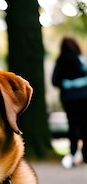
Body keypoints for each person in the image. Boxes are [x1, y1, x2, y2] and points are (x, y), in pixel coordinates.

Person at [52, 36, 87, 168]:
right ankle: (85, 155)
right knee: (84, 125)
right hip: (84, 98)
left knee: (72, 125)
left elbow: (54, 81)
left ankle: (72, 153)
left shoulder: (60, 61)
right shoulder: (80, 60)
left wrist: (67, 84)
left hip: (69, 99)